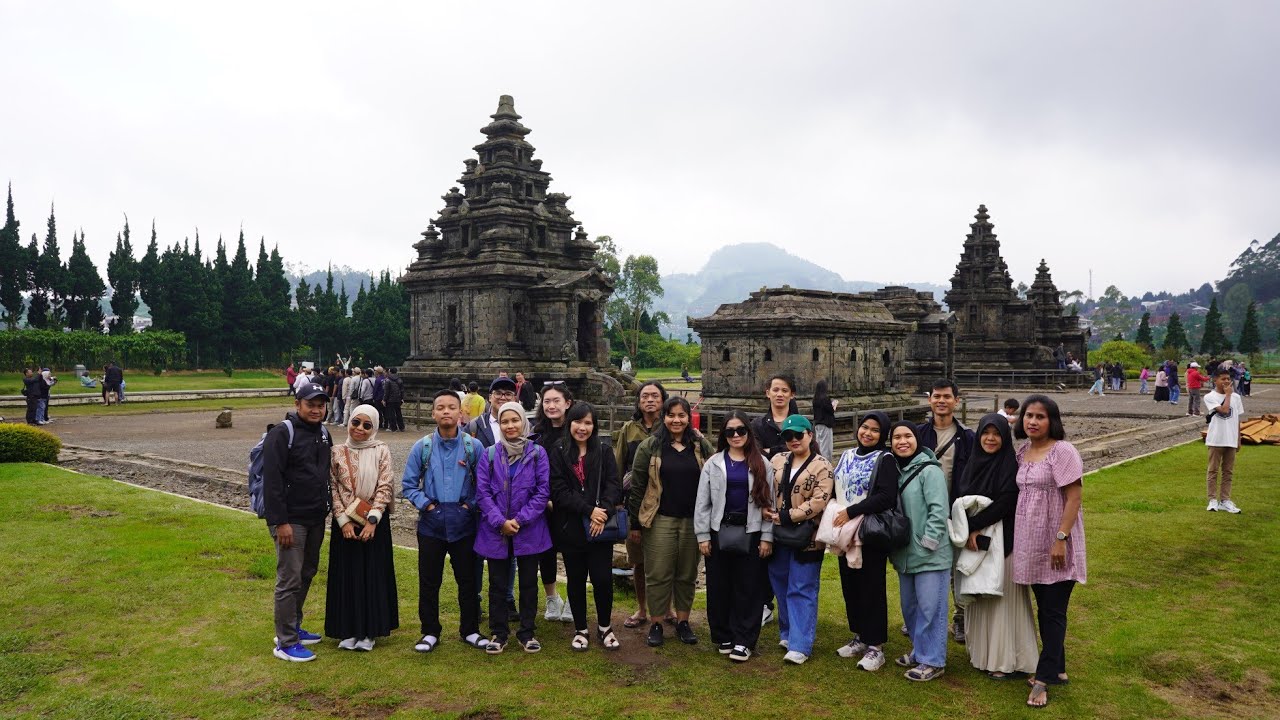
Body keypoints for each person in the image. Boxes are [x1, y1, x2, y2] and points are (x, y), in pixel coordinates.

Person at [1012, 395, 1086, 709]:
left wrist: (1061, 538)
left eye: (1040, 417)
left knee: (1054, 611)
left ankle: (1042, 681)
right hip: (1030, 541)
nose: (1033, 421)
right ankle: (1059, 669)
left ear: (1051, 420)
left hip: (1056, 540)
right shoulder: (1023, 451)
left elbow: (1074, 497)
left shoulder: (1062, 451)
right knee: (1046, 608)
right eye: (1029, 415)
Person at [401, 389, 488, 654]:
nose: (446, 412)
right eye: (441, 407)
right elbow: (408, 484)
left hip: (465, 523)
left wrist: (468, 506)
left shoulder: (474, 446)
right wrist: (426, 504)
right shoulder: (423, 446)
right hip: (432, 523)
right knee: (429, 580)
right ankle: (429, 631)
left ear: (461, 413)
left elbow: (484, 486)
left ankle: (470, 629)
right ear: (433, 413)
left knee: (469, 579)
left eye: (452, 407)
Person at [953, 414, 1037, 679]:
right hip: (975, 542)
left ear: (1005, 437)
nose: (990, 439)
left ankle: (1005, 660)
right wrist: (968, 527)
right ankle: (982, 654)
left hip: (1003, 543)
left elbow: (1006, 501)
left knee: (1001, 601)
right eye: (985, 433)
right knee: (980, 598)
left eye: (997, 434)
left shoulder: (1009, 465)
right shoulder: (972, 463)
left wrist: (974, 525)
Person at [629, 395, 716, 648]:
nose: (676, 420)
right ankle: (656, 623)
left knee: (687, 573)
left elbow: (716, 469)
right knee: (658, 573)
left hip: (692, 520)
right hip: (660, 519)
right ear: (663, 418)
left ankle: (683, 621)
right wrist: (635, 524)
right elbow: (637, 487)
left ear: (689, 418)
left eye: (681, 415)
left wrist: (702, 439)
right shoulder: (650, 446)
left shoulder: (698, 446)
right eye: (671, 415)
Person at [695, 411, 775, 663]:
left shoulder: (762, 463)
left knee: (748, 588)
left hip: (750, 531)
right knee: (719, 586)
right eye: (730, 431)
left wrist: (766, 537)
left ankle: (744, 639)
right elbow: (702, 503)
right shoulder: (713, 463)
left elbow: (769, 503)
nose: (736, 435)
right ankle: (723, 634)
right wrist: (703, 535)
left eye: (741, 430)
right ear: (724, 435)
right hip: (720, 531)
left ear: (748, 433)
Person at [263, 381, 334, 662]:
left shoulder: (324, 433)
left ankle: (293, 625)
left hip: (316, 516)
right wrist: (280, 522)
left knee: (307, 573)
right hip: (291, 520)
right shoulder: (282, 434)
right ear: (297, 405)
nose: (316, 410)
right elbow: (273, 483)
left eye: (320, 405)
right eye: (310, 405)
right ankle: (285, 642)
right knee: (289, 578)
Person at [474, 402, 552, 654]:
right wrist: (500, 521)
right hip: (496, 530)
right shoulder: (489, 454)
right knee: (497, 582)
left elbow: (542, 492)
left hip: (529, 529)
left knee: (529, 581)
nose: (510, 426)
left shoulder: (538, 453)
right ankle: (499, 632)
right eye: (505, 421)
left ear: (523, 422)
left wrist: (519, 520)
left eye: (515, 420)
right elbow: (482, 492)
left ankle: (527, 631)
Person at [549, 402, 624, 651]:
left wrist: (602, 512)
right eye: (578, 422)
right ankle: (581, 628)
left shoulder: (603, 450)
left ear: (594, 425)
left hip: (600, 527)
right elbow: (559, 490)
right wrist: (589, 511)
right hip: (572, 526)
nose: (583, 428)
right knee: (576, 579)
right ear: (570, 423)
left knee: (603, 578)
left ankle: (605, 627)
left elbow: (614, 485)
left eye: (588, 423)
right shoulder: (559, 450)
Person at [325, 404, 398, 651]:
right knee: (347, 575)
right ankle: (347, 629)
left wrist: (373, 519)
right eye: (356, 422)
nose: (360, 429)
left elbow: (385, 485)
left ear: (374, 428)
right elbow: (333, 488)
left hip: (373, 522)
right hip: (344, 521)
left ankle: (369, 631)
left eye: (367, 425)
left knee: (371, 575)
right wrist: (343, 521)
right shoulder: (336, 452)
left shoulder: (381, 450)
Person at [829, 411, 897, 671]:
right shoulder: (846, 455)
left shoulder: (885, 459)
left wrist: (852, 510)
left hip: (869, 530)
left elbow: (885, 496)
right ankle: (859, 635)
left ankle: (876, 646)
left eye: (875, 430)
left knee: (871, 587)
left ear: (883, 435)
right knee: (850, 584)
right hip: (845, 529)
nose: (867, 433)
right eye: (865, 427)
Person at [763, 414, 832, 665]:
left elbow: (820, 499)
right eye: (788, 436)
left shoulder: (822, 465)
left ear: (810, 436)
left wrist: (787, 516)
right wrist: (765, 509)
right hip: (778, 533)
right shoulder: (777, 460)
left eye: (798, 435)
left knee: (802, 587)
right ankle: (788, 631)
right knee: (780, 583)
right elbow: (764, 487)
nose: (793, 440)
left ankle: (801, 644)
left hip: (807, 535)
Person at [886, 421, 952, 681]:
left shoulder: (929, 470)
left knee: (930, 608)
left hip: (930, 554)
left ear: (917, 439)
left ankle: (933, 661)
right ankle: (920, 649)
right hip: (905, 554)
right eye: (897, 437)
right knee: (910, 607)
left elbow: (938, 509)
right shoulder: (895, 470)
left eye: (908, 436)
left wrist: (929, 542)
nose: (902, 441)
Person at [916, 378, 974, 643]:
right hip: (921, 513)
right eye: (936, 396)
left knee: (957, 570)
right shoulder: (917, 435)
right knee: (921, 566)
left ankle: (960, 617)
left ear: (956, 401)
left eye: (947, 397)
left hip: (955, 512)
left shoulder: (968, 438)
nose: (941, 401)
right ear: (930, 400)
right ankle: (920, 616)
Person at [612, 381, 671, 629]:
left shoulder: (670, 426)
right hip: (635, 500)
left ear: (663, 400)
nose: (649, 400)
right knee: (638, 560)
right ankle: (642, 608)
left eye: (655, 396)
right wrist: (616, 500)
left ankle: (666, 608)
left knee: (666, 558)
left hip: (666, 501)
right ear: (638, 401)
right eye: (644, 396)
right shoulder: (629, 429)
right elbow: (618, 464)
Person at [750, 374, 799, 624]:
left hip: (796, 497)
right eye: (775, 390)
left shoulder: (799, 422)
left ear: (792, 395)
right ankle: (765, 604)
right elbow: (755, 454)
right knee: (764, 550)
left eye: (785, 390)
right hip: (765, 493)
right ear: (767, 392)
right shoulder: (758, 424)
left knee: (790, 552)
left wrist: (772, 451)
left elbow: (809, 453)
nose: (780, 394)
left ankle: (791, 606)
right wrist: (787, 450)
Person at [530, 383, 575, 623]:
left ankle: (572, 599)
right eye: (547, 401)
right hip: (543, 505)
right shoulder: (537, 433)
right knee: (545, 551)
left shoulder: (576, 430)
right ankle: (551, 598)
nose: (551, 405)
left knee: (572, 552)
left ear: (567, 403)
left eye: (556, 400)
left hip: (570, 503)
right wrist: (544, 499)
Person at [1204, 368, 1244, 514]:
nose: (1227, 381)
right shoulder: (1210, 396)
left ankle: (1225, 500)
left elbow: (1237, 419)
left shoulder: (1237, 398)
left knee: (1228, 472)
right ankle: (1212, 500)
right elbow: (1225, 410)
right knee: (1213, 470)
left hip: (1230, 440)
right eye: (1223, 379)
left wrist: (1238, 439)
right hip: (1216, 439)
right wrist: (1228, 395)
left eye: (1228, 378)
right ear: (1215, 380)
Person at [811, 380, 837, 462]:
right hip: (826, 424)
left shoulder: (815, 399)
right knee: (826, 447)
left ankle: (818, 461)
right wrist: (834, 404)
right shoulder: (825, 398)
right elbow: (831, 410)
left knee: (819, 444)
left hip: (818, 424)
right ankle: (825, 463)